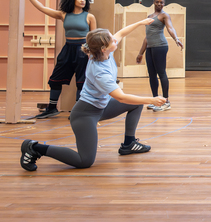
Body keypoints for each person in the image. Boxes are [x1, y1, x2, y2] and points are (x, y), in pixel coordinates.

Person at [19, 19, 166, 171]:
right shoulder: (100, 73)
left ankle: (129, 143)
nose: (115, 39)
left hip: (102, 106)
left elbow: (122, 33)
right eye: (111, 39)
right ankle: (35, 148)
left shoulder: (103, 52)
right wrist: (151, 100)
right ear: (103, 48)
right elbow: (121, 97)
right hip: (85, 114)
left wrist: (141, 22)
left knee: (135, 104)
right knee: (84, 161)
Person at [24, 0, 97, 119]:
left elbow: (93, 37)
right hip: (67, 48)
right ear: (72, 0)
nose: (83, 1)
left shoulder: (89, 16)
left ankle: (77, 111)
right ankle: (52, 108)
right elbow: (42, 8)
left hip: (83, 50)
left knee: (81, 81)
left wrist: (90, 52)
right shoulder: (63, 14)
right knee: (55, 79)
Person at [136, 0, 184, 112]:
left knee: (161, 73)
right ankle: (155, 100)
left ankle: (166, 101)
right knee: (152, 74)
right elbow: (147, 37)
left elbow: (170, 28)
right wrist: (140, 53)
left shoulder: (164, 15)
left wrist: (176, 39)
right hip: (150, 48)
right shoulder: (149, 17)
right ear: (153, 2)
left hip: (160, 47)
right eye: (157, 2)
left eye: (161, 2)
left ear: (164, 3)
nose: (159, 4)